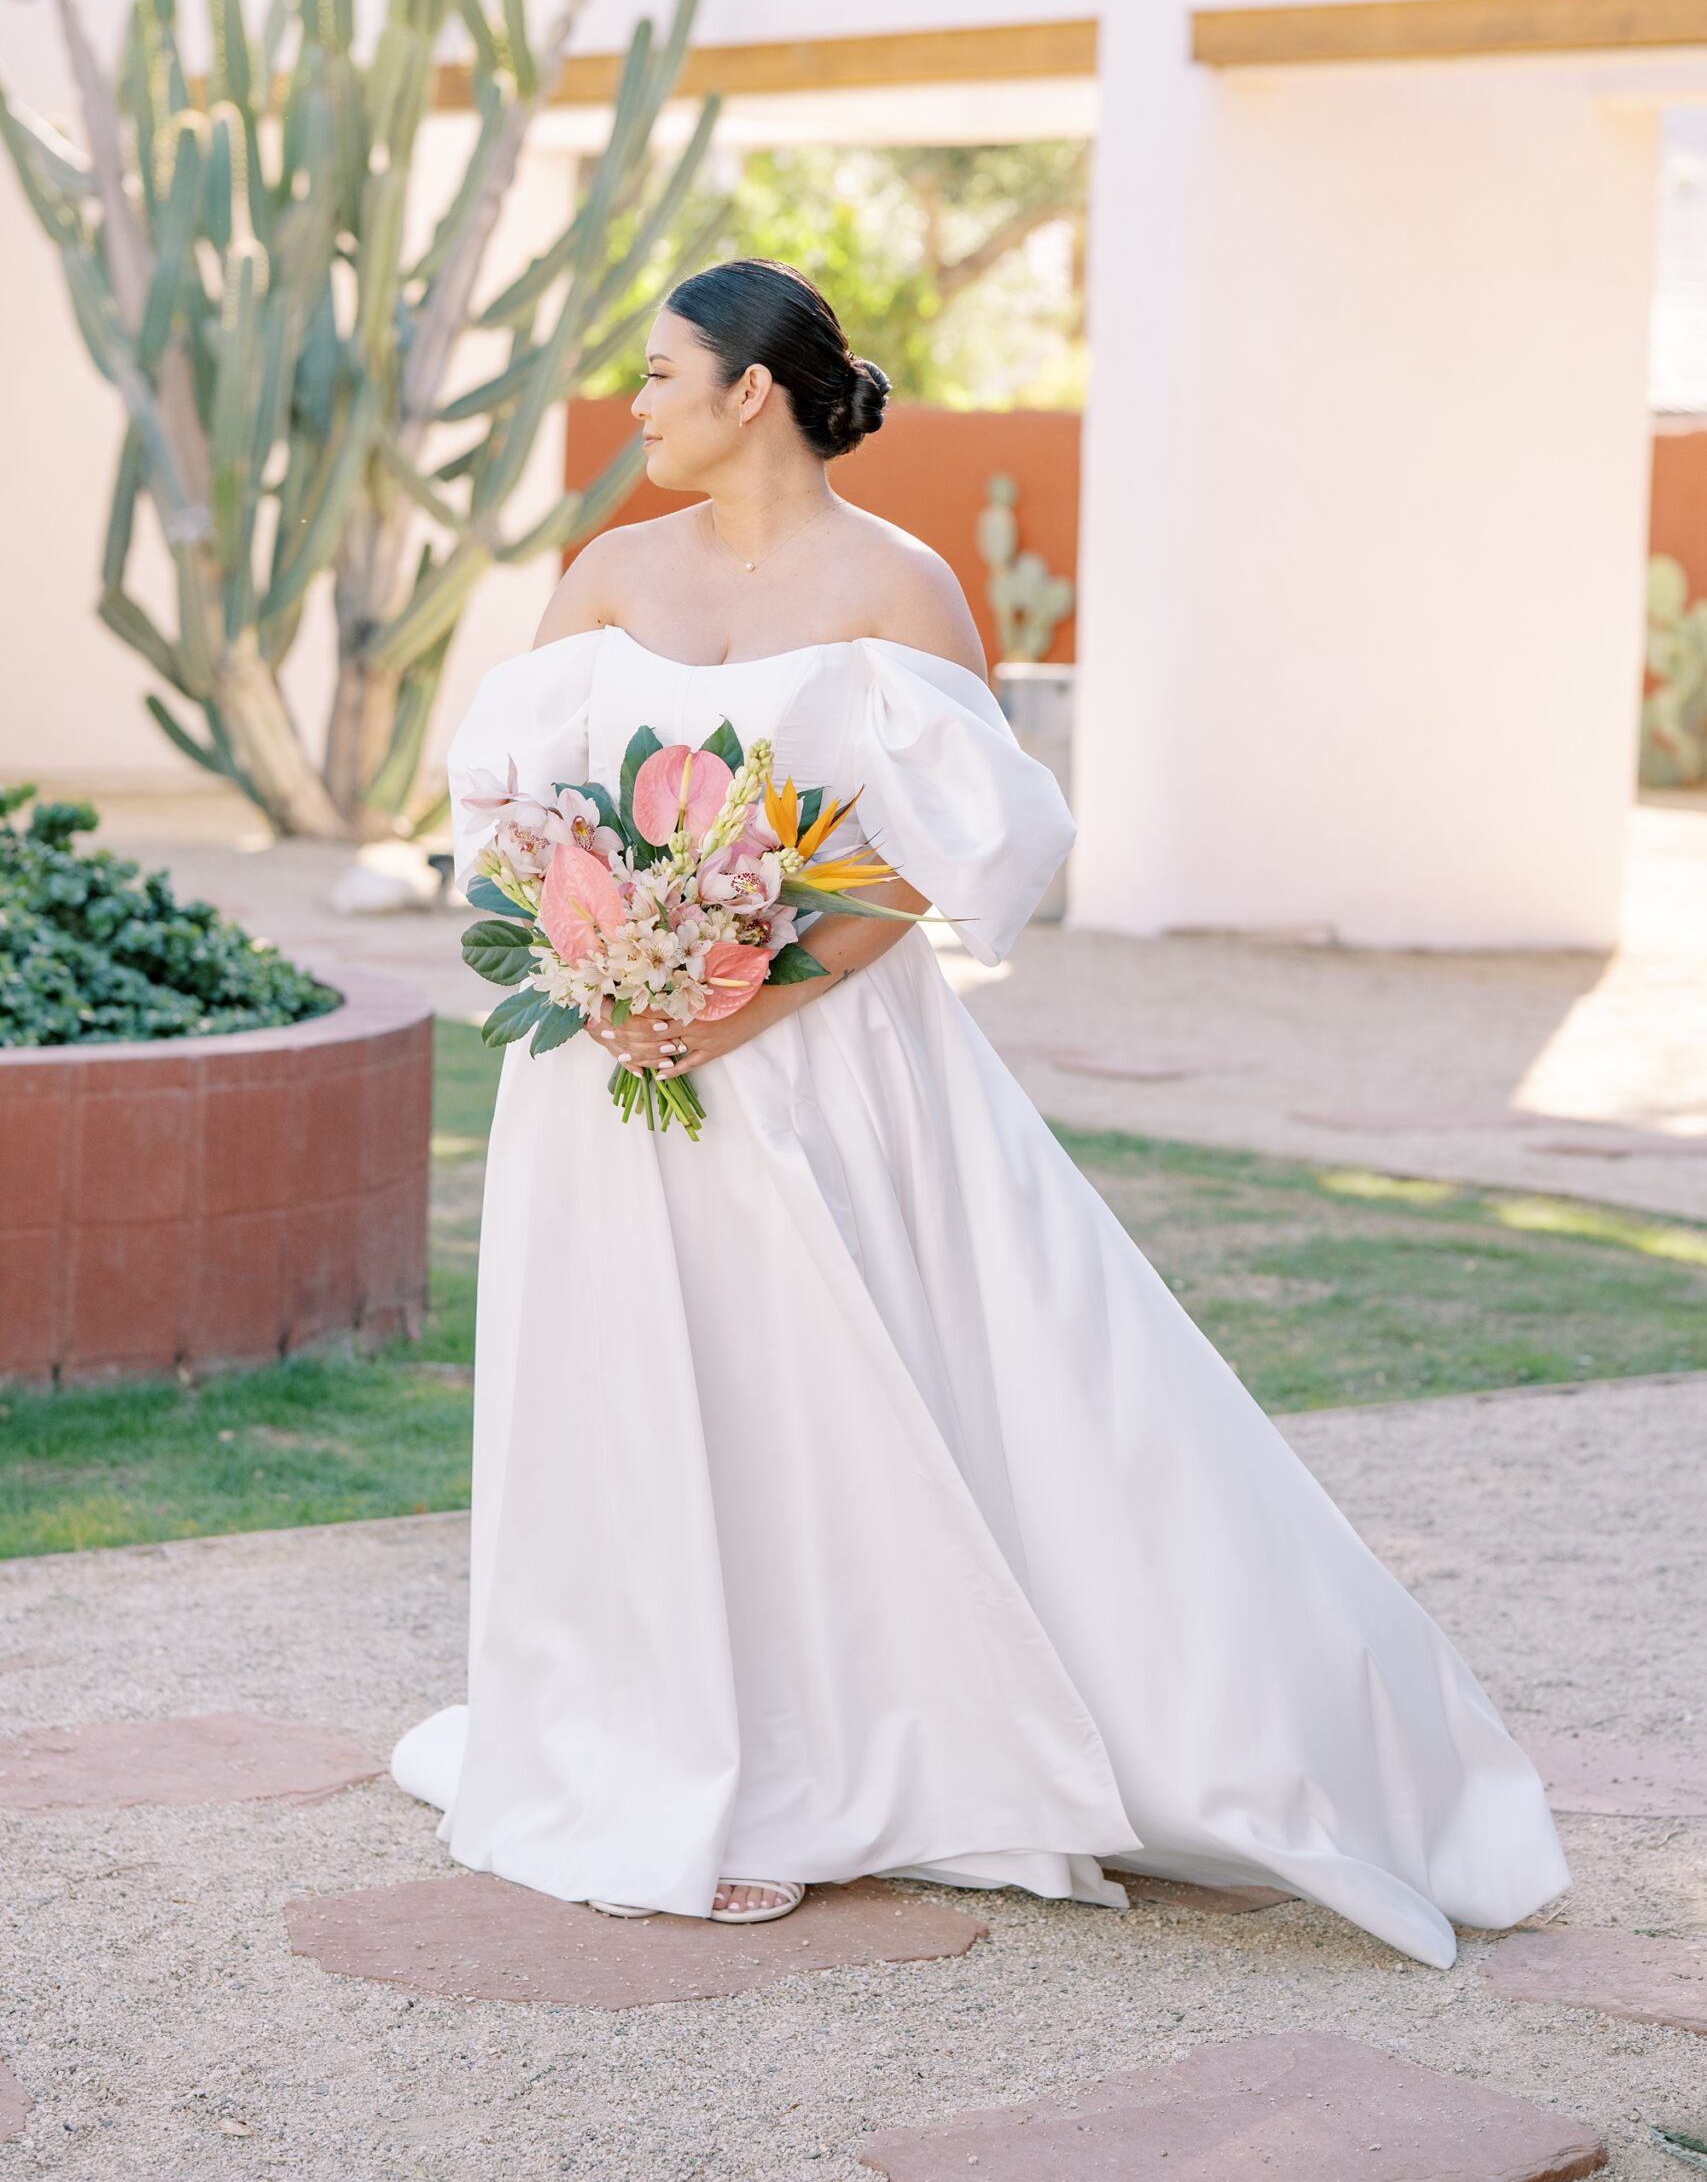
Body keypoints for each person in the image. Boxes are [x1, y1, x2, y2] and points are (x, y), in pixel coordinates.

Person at [390, 256, 1569, 1960]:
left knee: (833, 1389)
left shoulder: (901, 587)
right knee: (634, 1394)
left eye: (659, 376)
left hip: (820, 1062)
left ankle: (841, 1755)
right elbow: (518, 826)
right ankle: (647, 1748)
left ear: (754, 394)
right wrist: (621, 971)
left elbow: (941, 856)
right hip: (608, 1070)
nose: (632, 407)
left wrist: (749, 998)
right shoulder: (606, 573)